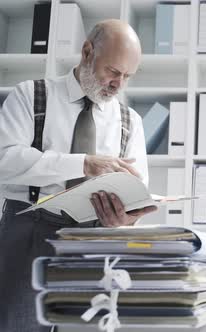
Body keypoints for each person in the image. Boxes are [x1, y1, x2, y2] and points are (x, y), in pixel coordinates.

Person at [0, 19, 156, 331]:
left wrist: (126, 217)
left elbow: (139, 188)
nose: (118, 84)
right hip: (28, 232)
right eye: (113, 71)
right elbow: (4, 159)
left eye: (127, 76)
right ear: (87, 52)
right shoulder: (31, 95)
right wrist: (83, 163)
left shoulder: (130, 120)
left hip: (97, 239)